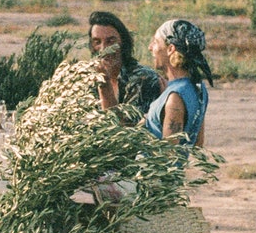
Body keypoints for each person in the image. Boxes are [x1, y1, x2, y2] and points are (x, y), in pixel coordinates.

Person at [144, 18, 212, 148]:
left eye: (156, 42)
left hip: (151, 168)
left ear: (170, 49)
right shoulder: (198, 88)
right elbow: (198, 143)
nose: (150, 47)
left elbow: (168, 156)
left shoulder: (175, 97)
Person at [88, 10, 162, 115]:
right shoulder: (89, 80)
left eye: (111, 41)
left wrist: (104, 84)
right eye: (97, 42)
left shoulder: (143, 79)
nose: (103, 49)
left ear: (123, 42)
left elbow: (125, 127)